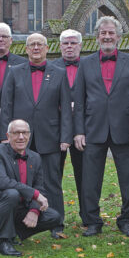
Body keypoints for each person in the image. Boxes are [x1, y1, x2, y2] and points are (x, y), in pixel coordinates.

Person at [72, 16, 129, 237]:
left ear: (119, 37)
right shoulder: (85, 63)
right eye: (104, 33)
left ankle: (128, 219)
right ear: (97, 37)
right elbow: (79, 100)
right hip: (93, 129)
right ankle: (92, 221)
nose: (107, 36)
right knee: (90, 179)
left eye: (111, 33)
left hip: (125, 129)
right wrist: (79, 131)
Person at [0, 33, 73, 238]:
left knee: (52, 181)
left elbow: (66, 108)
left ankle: (56, 223)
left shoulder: (59, 73)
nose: (36, 48)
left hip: (51, 136)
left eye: (40, 44)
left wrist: (66, 137)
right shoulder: (14, 72)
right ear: (26, 49)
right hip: (19, 138)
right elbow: (6, 106)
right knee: (20, 179)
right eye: (32, 45)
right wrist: (6, 136)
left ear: (48, 48)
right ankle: (18, 220)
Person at [0, 120, 62, 256]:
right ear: (8, 136)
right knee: (12, 193)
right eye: (16, 133)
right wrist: (34, 193)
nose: (21, 137)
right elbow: (3, 182)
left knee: (54, 217)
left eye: (24, 133)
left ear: (29, 135)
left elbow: (39, 187)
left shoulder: (35, 157)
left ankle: (13, 232)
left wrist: (34, 210)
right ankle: (3, 242)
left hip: (20, 205)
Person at [51, 29, 86, 226]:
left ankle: (87, 216)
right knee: (54, 176)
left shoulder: (89, 67)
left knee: (84, 175)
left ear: (80, 45)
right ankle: (55, 218)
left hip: (83, 129)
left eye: (73, 43)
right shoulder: (51, 67)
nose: (70, 47)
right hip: (56, 130)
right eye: (66, 43)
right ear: (60, 46)